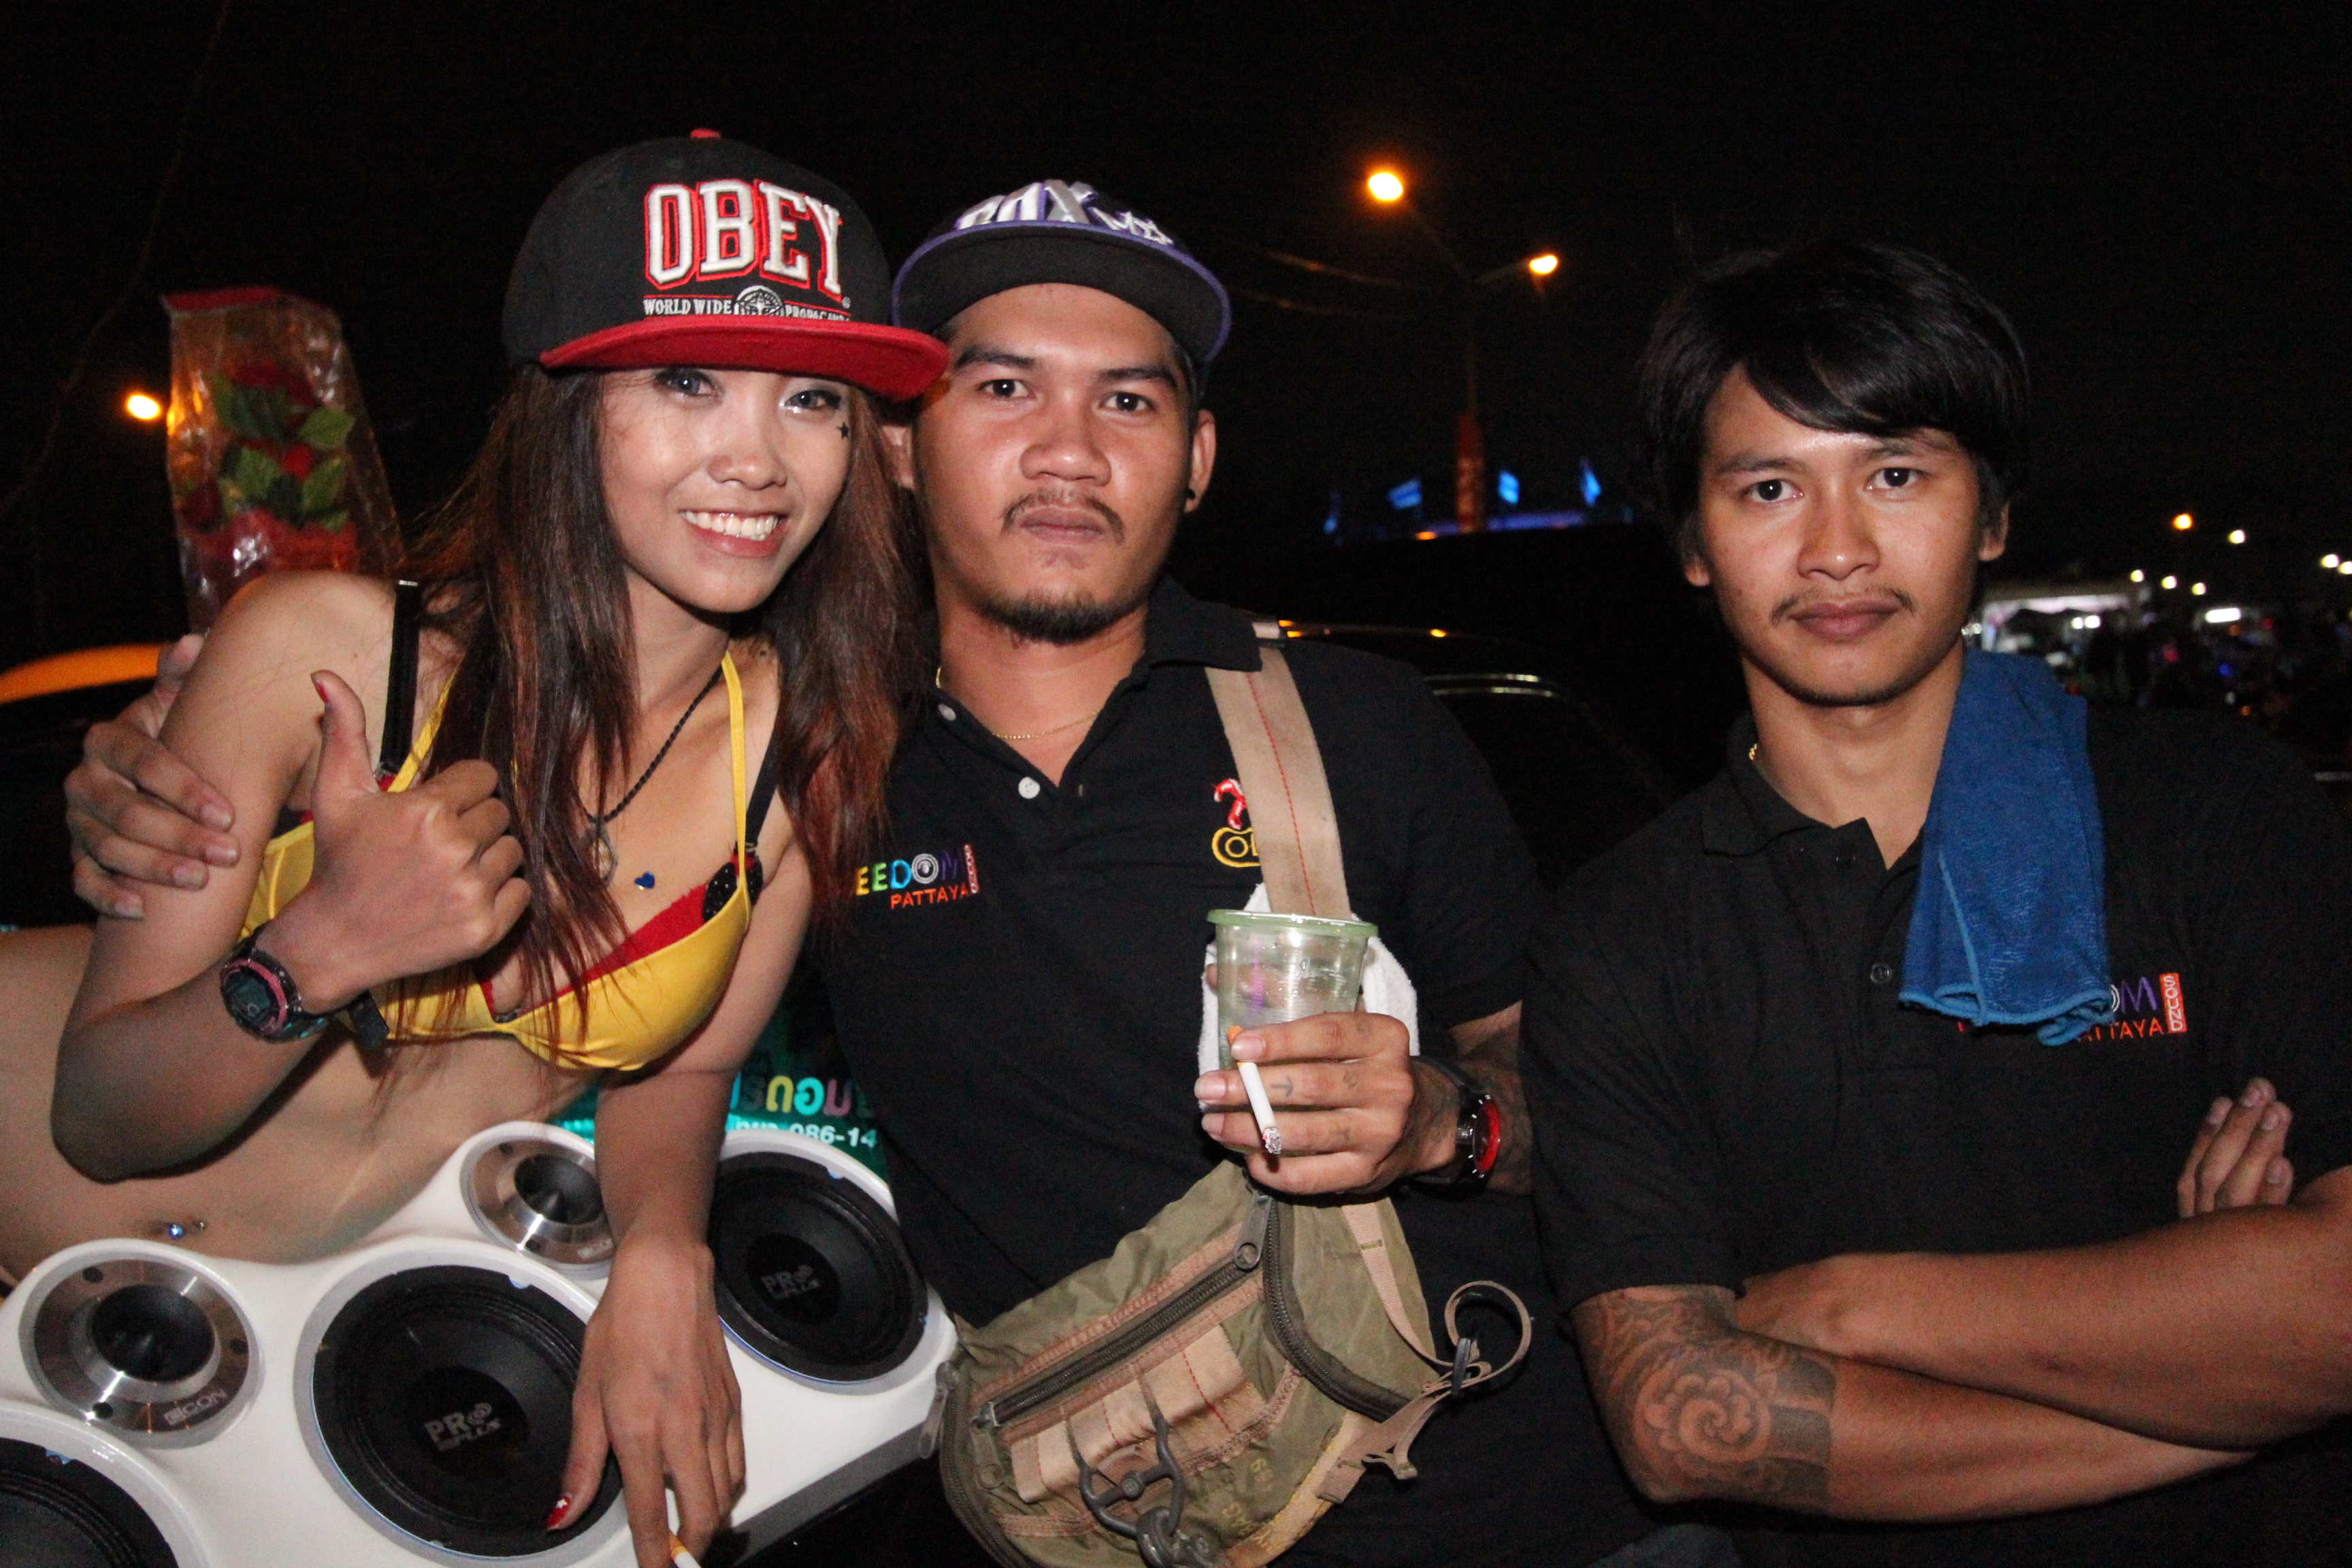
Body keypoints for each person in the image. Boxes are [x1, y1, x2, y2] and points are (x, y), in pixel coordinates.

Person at [70, 182, 1691, 1565]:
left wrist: (1445, 1123)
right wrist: (170, 790)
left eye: (1130, 403)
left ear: (1198, 459)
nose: (1069, 452)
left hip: (1526, 1497)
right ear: (905, 446)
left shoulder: (1357, 721)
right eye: (1006, 390)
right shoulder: (808, 760)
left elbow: (1597, 1115)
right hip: (1128, 1521)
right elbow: (653, 1026)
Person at [12, 130, 947, 1568]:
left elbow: (681, 1066)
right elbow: (101, 1116)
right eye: (685, 381)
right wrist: (325, 948)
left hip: (313, 1332)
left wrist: (663, 1250)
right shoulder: (330, 659)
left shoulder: (799, 751)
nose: (756, 459)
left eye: (811, 399)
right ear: (564, 408)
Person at [1523, 240, 2352, 1565]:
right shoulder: (1624, 935)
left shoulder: (2216, 816)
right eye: (1770, 487)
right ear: (1693, 542)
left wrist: (1849, 1309)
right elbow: (1686, 1422)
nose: (1837, 549)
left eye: (1897, 476)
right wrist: (2224, 1381)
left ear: (1994, 516)